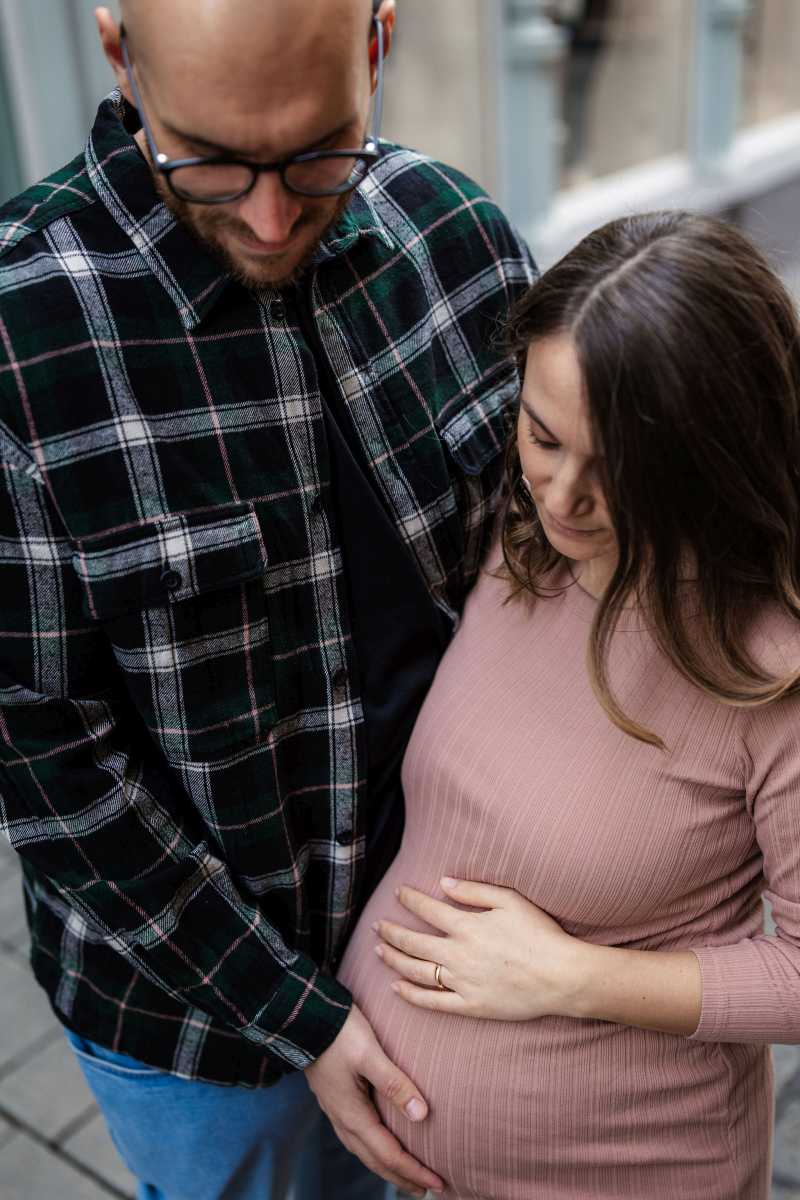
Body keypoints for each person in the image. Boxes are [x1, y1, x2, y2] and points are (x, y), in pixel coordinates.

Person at [0, 1, 534, 1196]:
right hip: (201, 1039)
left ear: (378, 44)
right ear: (117, 56)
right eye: (212, 161)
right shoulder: (16, 340)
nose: (270, 215)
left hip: (463, 959)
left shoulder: (459, 239)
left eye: (316, 155)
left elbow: (539, 592)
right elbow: (53, 779)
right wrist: (311, 1023)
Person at [339, 209, 800, 1199]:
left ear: (712, 462)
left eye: (619, 474)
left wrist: (569, 979)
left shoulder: (771, 668)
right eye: (542, 437)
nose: (561, 496)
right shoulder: (522, 543)